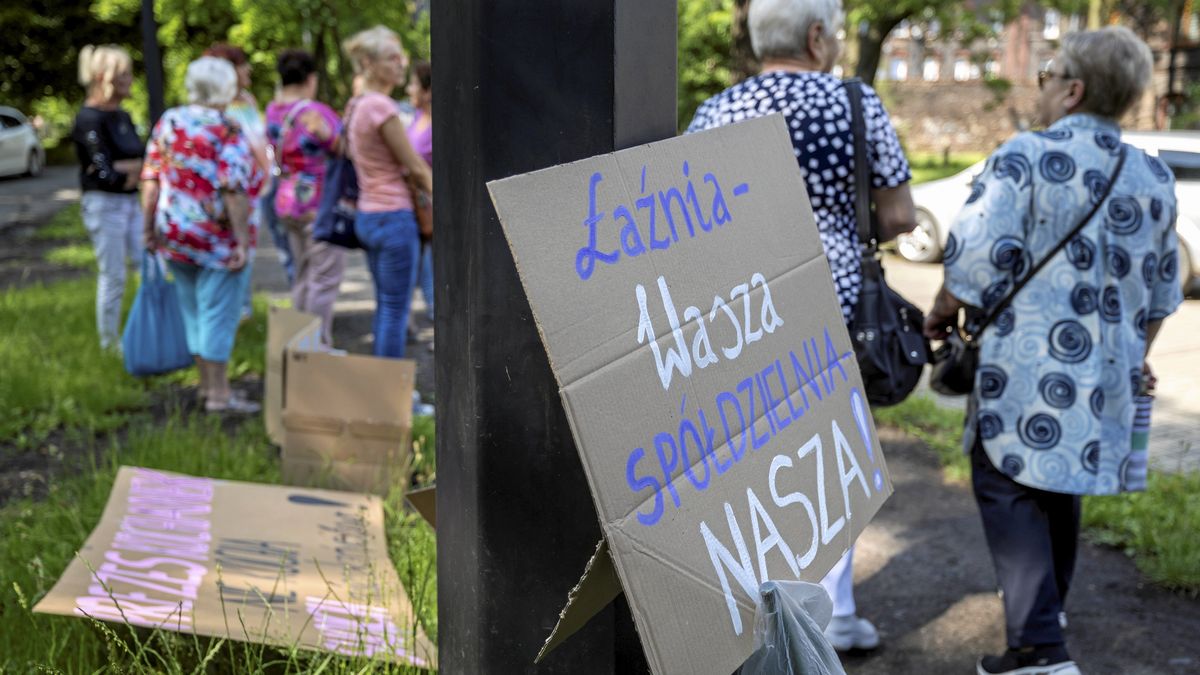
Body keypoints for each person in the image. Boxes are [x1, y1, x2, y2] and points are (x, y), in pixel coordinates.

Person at [922, 27, 1182, 675]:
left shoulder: (1026, 156)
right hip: (1105, 376)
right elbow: (1160, 294)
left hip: (1025, 371)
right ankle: (1048, 613)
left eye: (1046, 75)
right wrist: (1135, 354)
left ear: (1074, 90)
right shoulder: (1152, 174)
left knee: (1007, 481)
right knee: (1061, 487)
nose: (1039, 89)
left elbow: (973, 258)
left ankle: (1038, 649)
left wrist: (940, 311)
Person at [687, 0, 916, 653]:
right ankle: (832, 614)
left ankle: (762, 612)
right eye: (837, 33)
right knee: (830, 457)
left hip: (745, 306)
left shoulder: (717, 111)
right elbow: (897, 215)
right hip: (833, 298)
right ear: (816, 37)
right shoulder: (853, 102)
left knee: (756, 457)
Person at [140, 57, 265, 414]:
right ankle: (219, 395)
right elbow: (233, 189)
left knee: (193, 310)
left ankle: (206, 387)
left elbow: (151, 177)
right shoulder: (227, 128)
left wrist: (148, 228)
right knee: (218, 315)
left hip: (175, 234)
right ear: (227, 89)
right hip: (217, 239)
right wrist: (242, 240)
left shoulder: (170, 121)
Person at [342, 26, 433, 358]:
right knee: (396, 311)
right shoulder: (381, 107)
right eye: (391, 59)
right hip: (393, 217)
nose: (400, 64)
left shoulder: (356, 104)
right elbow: (416, 168)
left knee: (385, 307)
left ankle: (384, 396)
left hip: (369, 215)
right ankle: (396, 401)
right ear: (368, 62)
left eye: (401, 58)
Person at [265, 49, 344, 346]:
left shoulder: (272, 111)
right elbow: (343, 148)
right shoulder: (315, 113)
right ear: (311, 79)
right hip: (318, 204)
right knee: (323, 279)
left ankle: (298, 344)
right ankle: (316, 349)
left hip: (286, 201)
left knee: (302, 275)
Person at [71, 45, 143, 349]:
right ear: (104, 77)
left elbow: (145, 159)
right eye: (122, 74)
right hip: (104, 204)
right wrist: (130, 171)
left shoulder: (123, 116)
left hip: (130, 203)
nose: (129, 80)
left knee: (148, 266)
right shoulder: (88, 119)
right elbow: (104, 172)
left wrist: (128, 169)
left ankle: (145, 332)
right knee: (114, 275)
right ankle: (109, 343)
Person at [405, 60, 435, 326]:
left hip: (433, 206)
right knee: (420, 265)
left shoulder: (441, 124)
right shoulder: (417, 118)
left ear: (428, 91)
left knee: (430, 267)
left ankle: (439, 320)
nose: (408, 88)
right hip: (417, 203)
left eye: (413, 84)